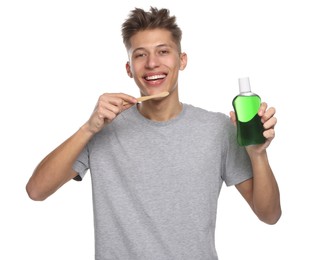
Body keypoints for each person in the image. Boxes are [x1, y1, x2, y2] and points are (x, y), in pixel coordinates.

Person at [26, 6, 281, 260]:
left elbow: (269, 215)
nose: (151, 63)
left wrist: (258, 155)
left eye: (163, 51)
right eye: (140, 55)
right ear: (129, 68)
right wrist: (89, 128)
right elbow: (36, 191)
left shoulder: (217, 129)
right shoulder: (103, 128)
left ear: (182, 60)